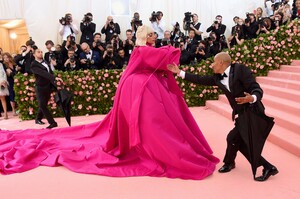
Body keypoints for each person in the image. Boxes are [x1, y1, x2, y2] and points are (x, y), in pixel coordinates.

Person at [0, 25, 219, 180]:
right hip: (139, 88)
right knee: (150, 121)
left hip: (139, 87)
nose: (154, 36)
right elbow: (165, 55)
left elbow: (161, 58)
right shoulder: (143, 50)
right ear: (145, 36)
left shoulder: (142, 50)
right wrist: (174, 50)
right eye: (151, 34)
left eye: (154, 34)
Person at [168, 52, 279, 182]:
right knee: (235, 140)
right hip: (241, 114)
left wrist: (252, 98)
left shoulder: (240, 70)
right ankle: (233, 163)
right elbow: (200, 79)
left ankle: (265, 166)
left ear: (221, 62)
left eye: (214, 62)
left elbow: (256, 88)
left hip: (252, 111)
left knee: (234, 138)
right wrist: (179, 72)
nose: (211, 65)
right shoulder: (217, 77)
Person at [31, 48, 58, 129]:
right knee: (42, 105)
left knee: (44, 104)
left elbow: (50, 72)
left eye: (41, 51)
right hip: (40, 87)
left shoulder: (45, 62)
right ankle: (52, 122)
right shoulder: (33, 64)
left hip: (48, 86)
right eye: (38, 52)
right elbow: (43, 73)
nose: (40, 53)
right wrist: (54, 78)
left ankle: (38, 119)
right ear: (34, 55)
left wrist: (55, 80)